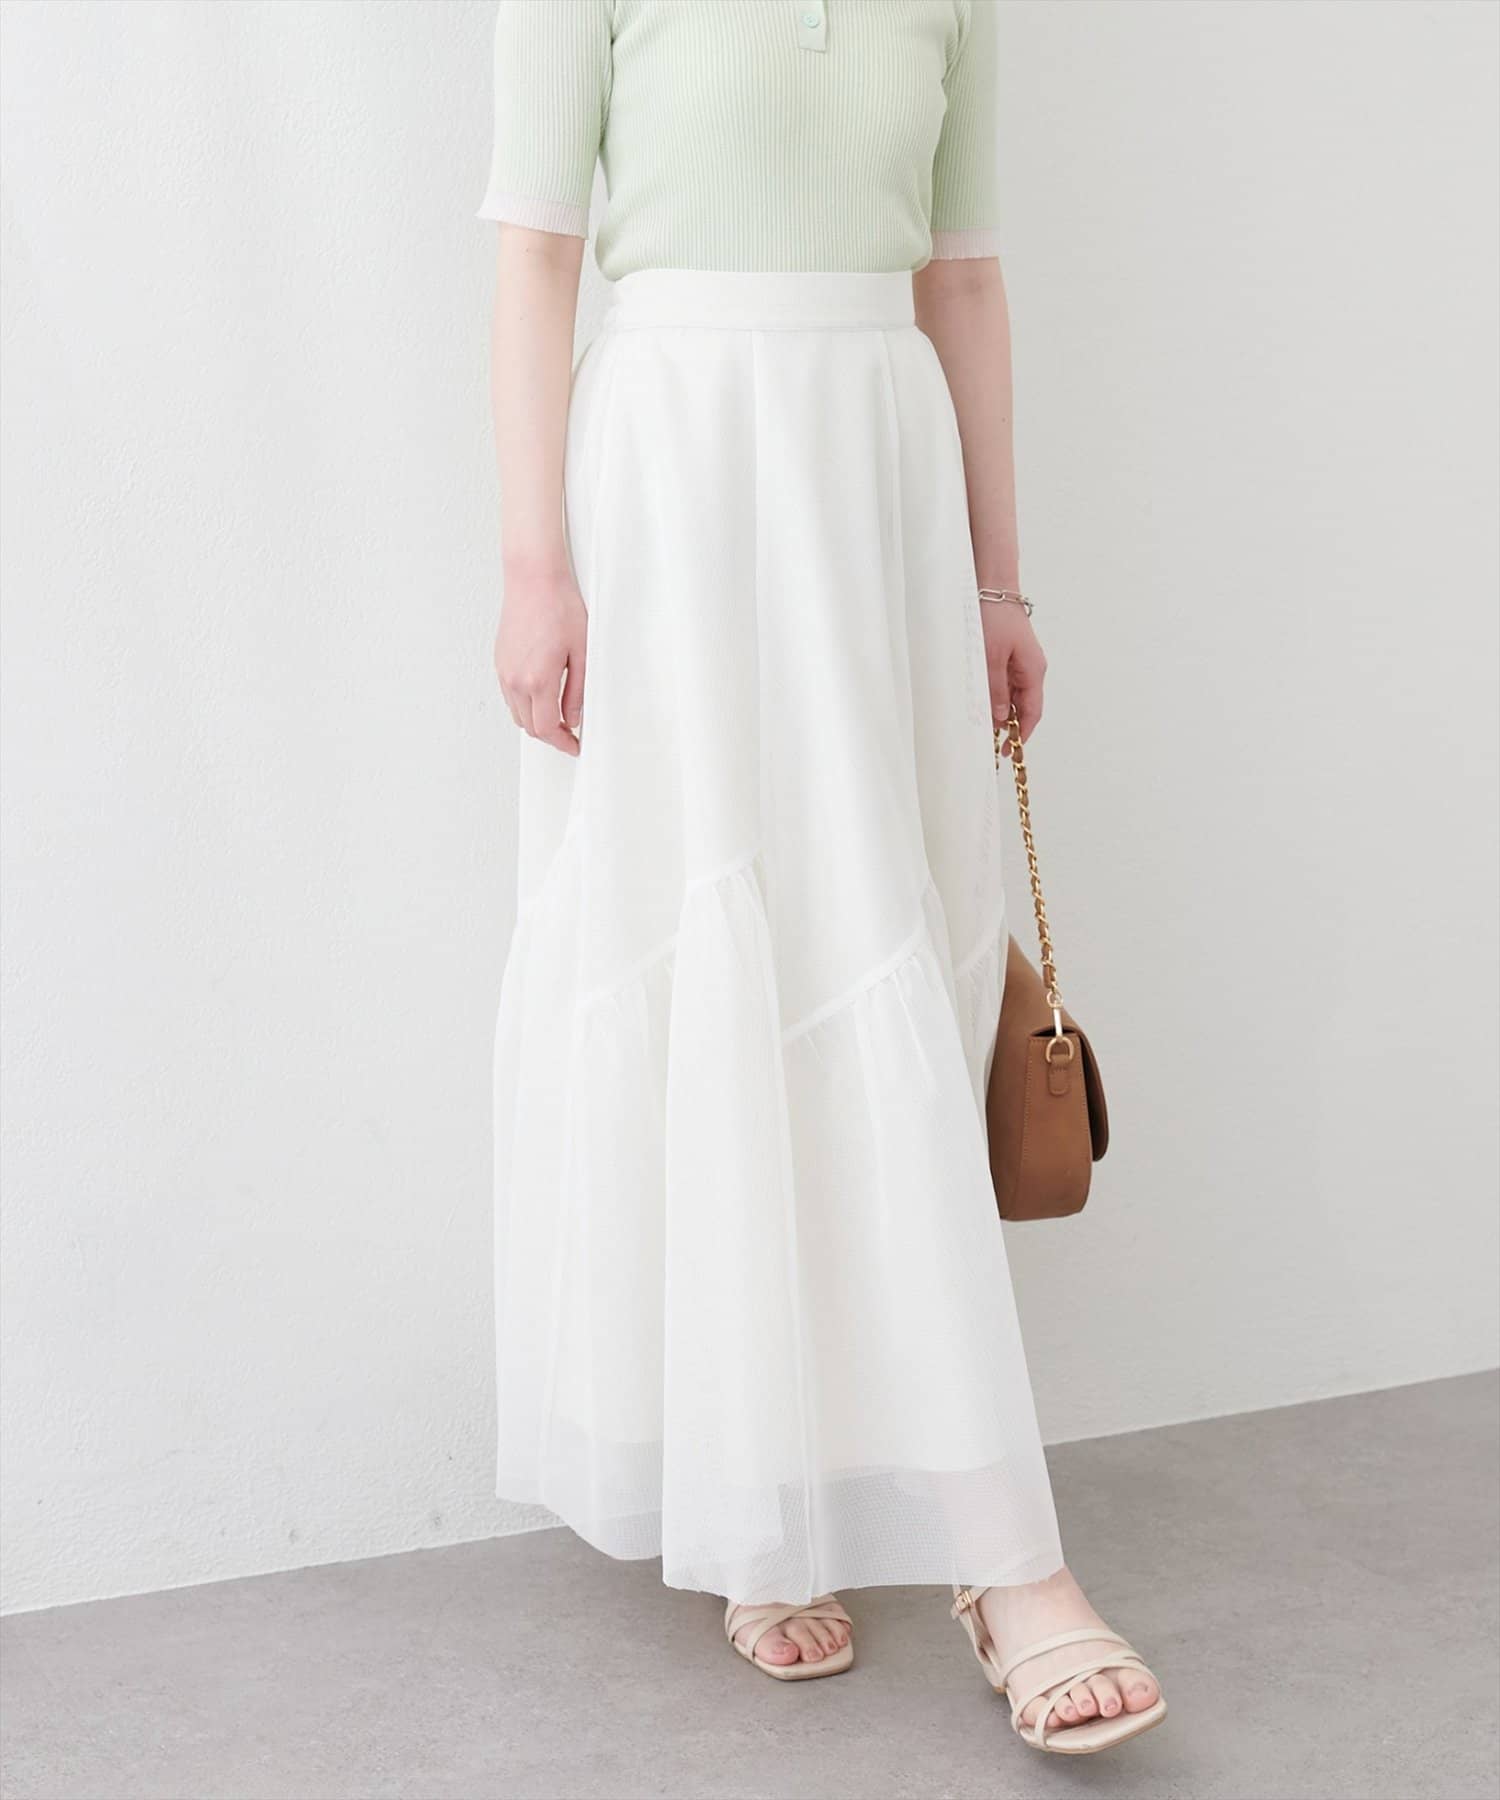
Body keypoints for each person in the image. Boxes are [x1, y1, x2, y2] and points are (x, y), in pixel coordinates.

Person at [479, 0, 1164, 1756]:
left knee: (883, 955)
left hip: (878, 475)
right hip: (675, 477)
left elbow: (966, 278)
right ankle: (788, 1513)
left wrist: (1000, 580)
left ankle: (975, 1547)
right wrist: (536, 570)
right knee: (716, 946)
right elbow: (534, 254)